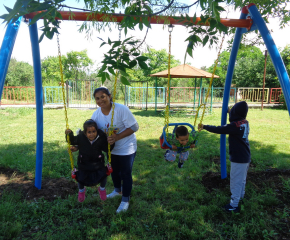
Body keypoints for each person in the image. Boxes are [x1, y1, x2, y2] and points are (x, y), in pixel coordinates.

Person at [91, 87, 138, 214]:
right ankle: (117, 190)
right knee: (114, 171)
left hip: (127, 147)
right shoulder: (96, 114)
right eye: (97, 98)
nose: (100, 100)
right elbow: (91, 132)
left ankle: (125, 199)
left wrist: (117, 137)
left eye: (103, 96)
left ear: (109, 96)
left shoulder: (121, 109)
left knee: (125, 173)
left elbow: (134, 126)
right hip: (111, 149)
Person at [198, 101, 250, 213]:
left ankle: (234, 205)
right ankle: (241, 197)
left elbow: (219, 129)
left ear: (235, 113)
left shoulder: (234, 126)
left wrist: (205, 126)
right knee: (241, 180)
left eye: (232, 110)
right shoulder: (245, 122)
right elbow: (236, 116)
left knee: (235, 181)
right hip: (245, 157)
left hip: (238, 158)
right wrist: (229, 110)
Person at [65, 119, 114, 203]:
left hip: (98, 163)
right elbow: (72, 140)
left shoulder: (100, 138)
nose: (92, 134)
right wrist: (69, 134)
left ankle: (102, 189)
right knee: (80, 178)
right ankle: (81, 191)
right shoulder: (81, 137)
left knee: (103, 175)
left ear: (97, 131)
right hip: (84, 163)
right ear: (85, 132)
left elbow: (106, 149)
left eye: (94, 131)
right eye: (89, 132)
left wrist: (111, 143)